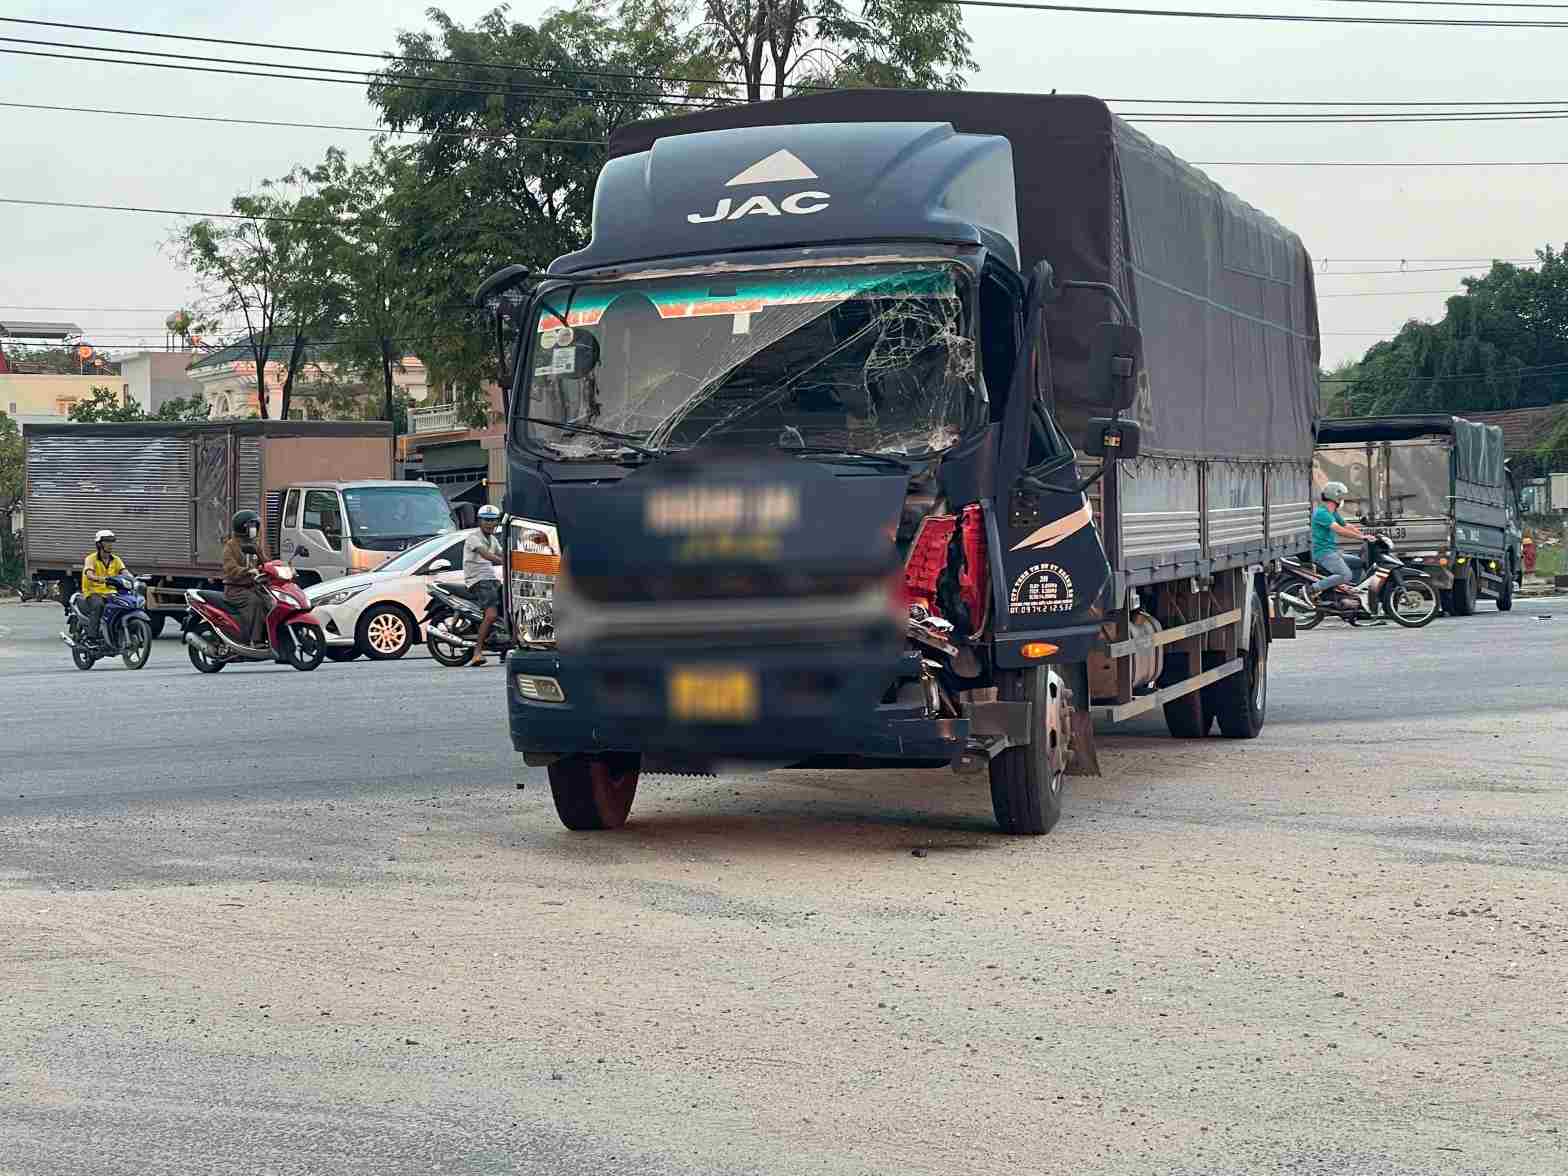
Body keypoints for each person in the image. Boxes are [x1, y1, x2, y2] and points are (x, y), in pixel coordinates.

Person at [1300, 481, 1371, 606]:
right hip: (1323, 553)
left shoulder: (1332, 512)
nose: (1343, 500)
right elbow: (1339, 529)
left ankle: (1346, 591)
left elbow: (1346, 525)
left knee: (1358, 562)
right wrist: (1360, 537)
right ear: (1335, 497)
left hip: (1332, 551)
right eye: (1342, 497)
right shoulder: (1322, 513)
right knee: (1345, 574)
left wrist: (1364, 535)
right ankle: (1312, 589)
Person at [462, 505, 505, 667]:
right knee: (492, 614)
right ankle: (477, 652)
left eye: (493, 520)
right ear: (479, 521)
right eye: (486, 520)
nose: (489, 523)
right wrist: (505, 562)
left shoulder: (493, 540)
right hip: (478, 580)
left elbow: (503, 552)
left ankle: (504, 649)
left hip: (491, 580)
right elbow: (485, 554)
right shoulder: (474, 538)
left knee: (507, 609)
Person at [222, 510, 272, 648]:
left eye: (255, 526)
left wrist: (276, 568)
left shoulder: (254, 544)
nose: (254, 529)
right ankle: (256, 641)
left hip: (254, 586)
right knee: (255, 602)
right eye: (252, 526)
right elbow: (230, 568)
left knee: (271, 601)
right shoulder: (230, 546)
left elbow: (265, 562)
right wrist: (247, 571)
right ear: (242, 527)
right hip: (236, 590)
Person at [79, 529, 126, 645]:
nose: (110, 545)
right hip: (93, 592)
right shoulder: (91, 559)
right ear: (99, 544)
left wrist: (134, 579)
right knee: (98, 606)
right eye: (107, 541)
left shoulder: (116, 559)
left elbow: (125, 572)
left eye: (112, 542)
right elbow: (89, 573)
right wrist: (98, 578)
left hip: (111, 592)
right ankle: (91, 638)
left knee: (124, 604)